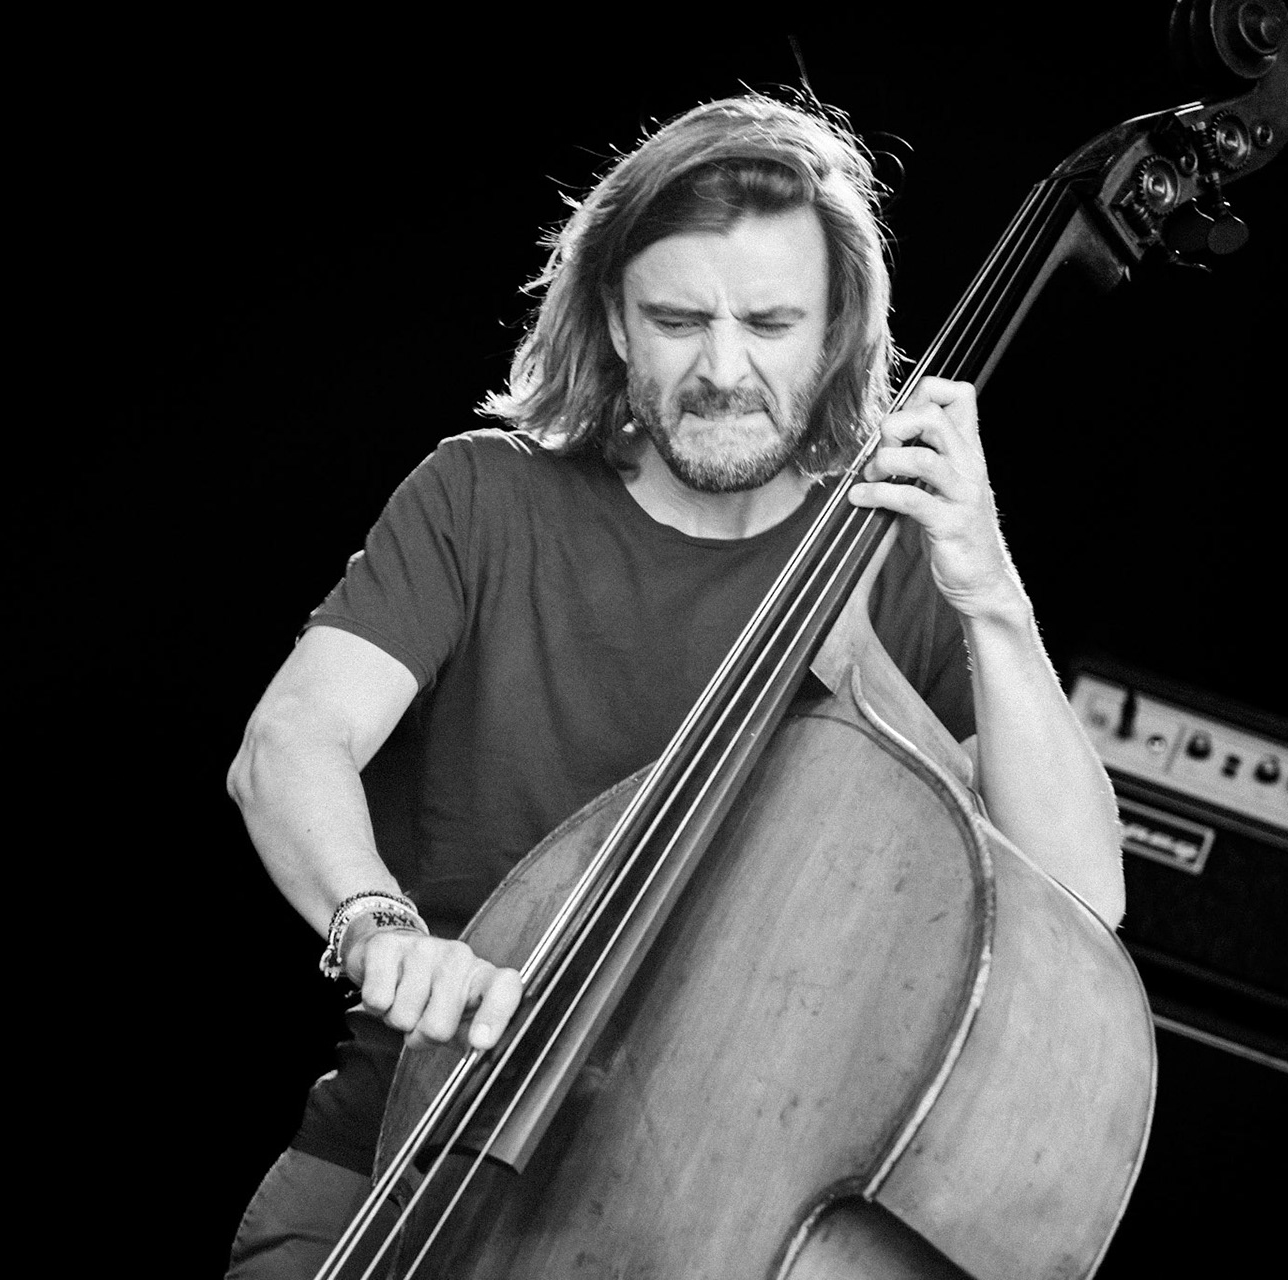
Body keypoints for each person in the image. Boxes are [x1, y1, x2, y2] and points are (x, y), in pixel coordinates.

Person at [222, 93, 1124, 1279]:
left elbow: (1080, 894)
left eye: (768, 320)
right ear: (613, 317)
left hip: (692, 1229)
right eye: (678, 318)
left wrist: (994, 598)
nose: (722, 366)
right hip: (394, 1163)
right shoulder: (484, 497)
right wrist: (378, 922)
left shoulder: (897, 561)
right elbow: (289, 743)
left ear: (839, 327)